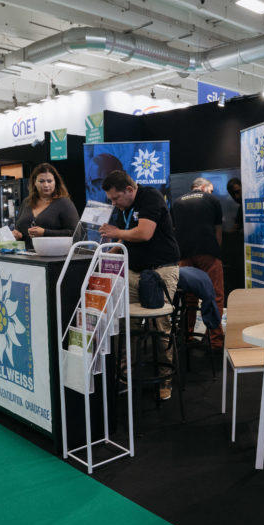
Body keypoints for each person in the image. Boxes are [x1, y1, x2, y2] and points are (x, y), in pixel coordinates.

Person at [98, 170, 181, 400]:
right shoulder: (125, 207)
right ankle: (125, 377)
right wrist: (107, 252)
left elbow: (144, 233)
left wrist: (116, 232)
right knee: (126, 324)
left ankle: (165, 379)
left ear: (129, 190)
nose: (114, 203)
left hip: (161, 271)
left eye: (116, 198)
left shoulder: (150, 197)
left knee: (161, 326)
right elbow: (124, 237)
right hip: (134, 271)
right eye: (111, 200)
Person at [171, 177, 225, 356]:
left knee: (189, 298)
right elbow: (218, 231)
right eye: (211, 189)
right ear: (203, 187)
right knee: (215, 295)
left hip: (184, 255)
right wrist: (217, 252)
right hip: (208, 252)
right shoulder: (213, 200)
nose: (212, 192)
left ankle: (187, 336)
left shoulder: (177, 202)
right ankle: (215, 341)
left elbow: (174, 230)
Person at [13, 163, 80, 249]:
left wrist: (45, 233)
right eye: (41, 181)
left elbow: (75, 234)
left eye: (49, 181)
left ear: (55, 182)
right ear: (34, 182)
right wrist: (16, 234)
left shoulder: (64, 203)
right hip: (26, 255)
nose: (46, 185)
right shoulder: (26, 202)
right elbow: (18, 229)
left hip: (55, 255)